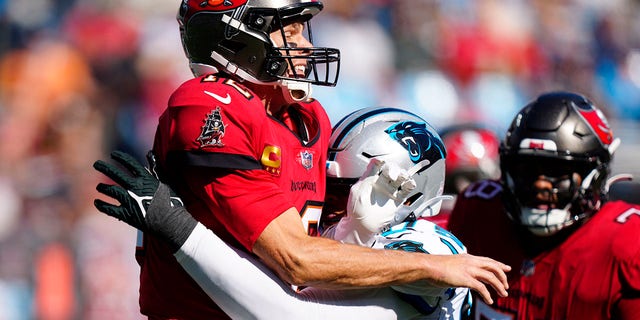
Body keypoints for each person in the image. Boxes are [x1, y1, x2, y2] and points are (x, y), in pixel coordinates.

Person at [100, 1, 509, 318]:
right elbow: (296, 258)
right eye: (289, 32)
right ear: (238, 38)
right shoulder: (211, 104)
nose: (306, 46)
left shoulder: (306, 116)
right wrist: (429, 267)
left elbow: (307, 258)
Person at [95, 107, 475, 319]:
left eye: (343, 190)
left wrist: (179, 228)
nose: (331, 205)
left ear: (407, 187)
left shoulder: (433, 248)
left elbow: (287, 315)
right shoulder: (342, 235)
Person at [447, 91, 640, 319]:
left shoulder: (627, 245)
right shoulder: (479, 210)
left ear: (593, 174)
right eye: (527, 168)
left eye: (556, 171)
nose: (540, 184)